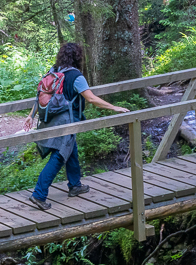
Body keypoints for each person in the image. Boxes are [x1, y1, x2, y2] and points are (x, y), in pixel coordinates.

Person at [28, 42, 128, 210]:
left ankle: (75, 185)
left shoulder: (53, 71)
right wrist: (114, 107)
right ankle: (39, 194)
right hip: (66, 121)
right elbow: (91, 99)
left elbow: (40, 97)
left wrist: (31, 116)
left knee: (70, 149)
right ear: (78, 57)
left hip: (50, 119)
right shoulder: (76, 76)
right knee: (60, 155)